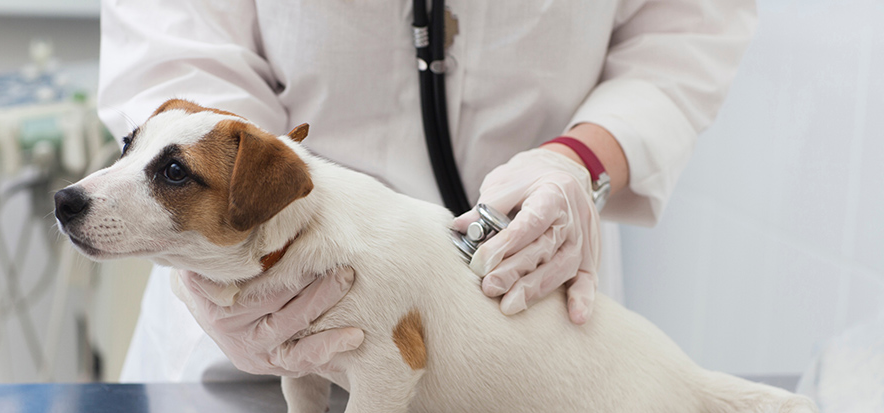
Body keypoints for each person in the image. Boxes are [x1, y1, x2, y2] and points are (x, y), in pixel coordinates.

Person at [98, 0, 756, 383]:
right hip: (257, 323)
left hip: (520, 307)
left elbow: (683, 33)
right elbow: (177, 40)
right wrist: (227, 237)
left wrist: (581, 159)